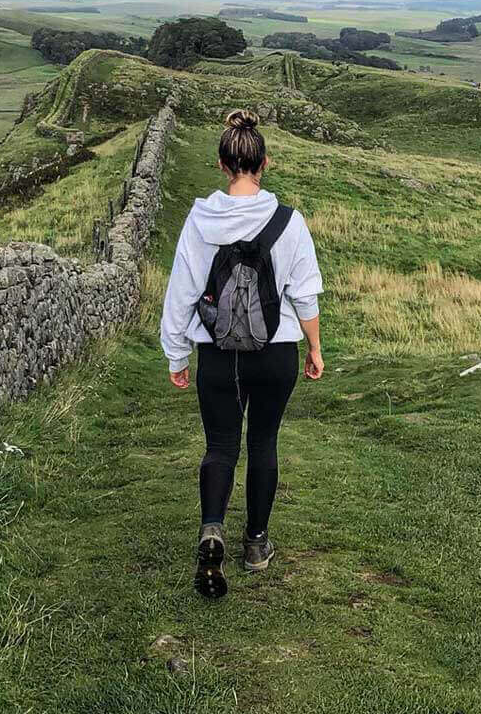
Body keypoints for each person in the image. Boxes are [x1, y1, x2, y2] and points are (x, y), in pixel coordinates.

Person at [160, 109, 324, 600]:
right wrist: (314, 347)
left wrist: (177, 354)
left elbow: (182, 291)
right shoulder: (289, 223)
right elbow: (306, 295)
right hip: (276, 352)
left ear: (221, 164)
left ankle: (212, 530)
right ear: (264, 162)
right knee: (264, 442)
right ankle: (255, 543)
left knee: (221, 445)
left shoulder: (199, 220)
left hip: (218, 352)